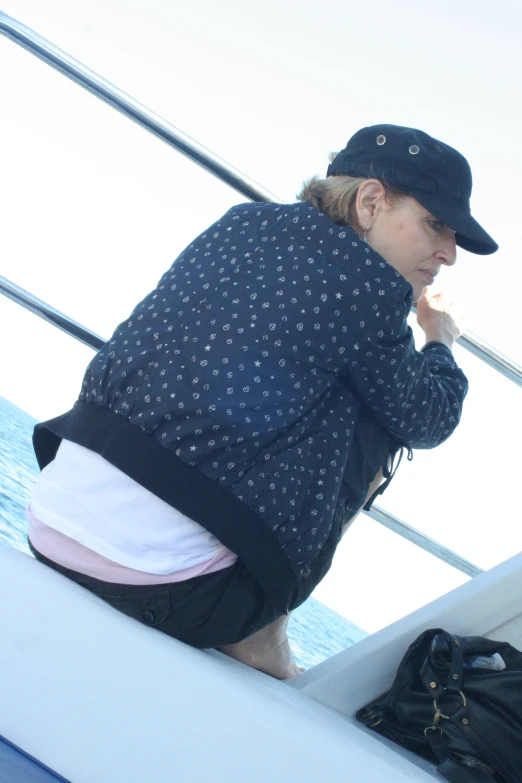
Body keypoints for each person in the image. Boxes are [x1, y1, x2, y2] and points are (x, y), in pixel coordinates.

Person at [27, 124, 498, 679]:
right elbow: (430, 417)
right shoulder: (368, 288)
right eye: (435, 226)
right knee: (384, 414)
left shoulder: (243, 221)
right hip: (166, 586)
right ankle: (263, 628)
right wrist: (440, 338)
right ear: (371, 201)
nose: (449, 254)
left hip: (51, 516)